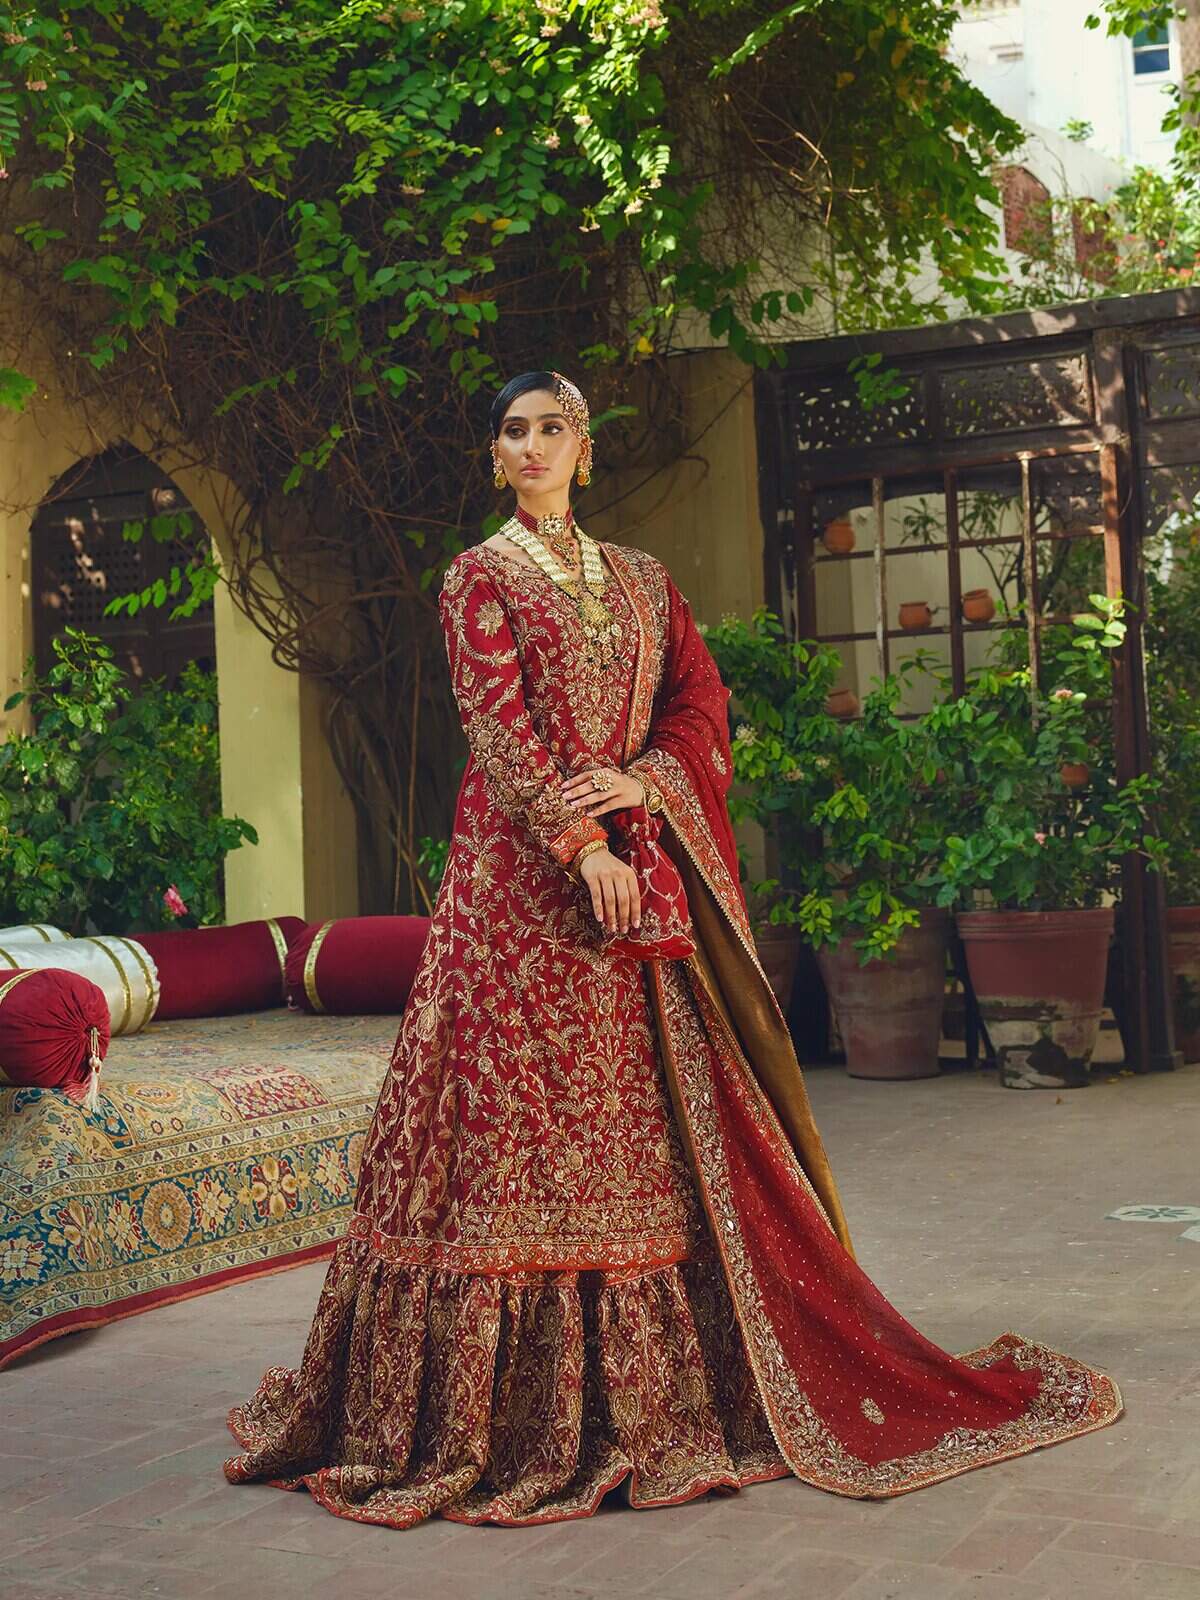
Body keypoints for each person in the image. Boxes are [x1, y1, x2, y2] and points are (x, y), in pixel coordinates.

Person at [224, 370, 1121, 1528]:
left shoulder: (645, 582)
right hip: (516, 906)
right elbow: (498, 726)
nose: (534, 446)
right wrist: (577, 837)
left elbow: (701, 708)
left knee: (634, 1131)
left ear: (584, 449)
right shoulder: (476, 579)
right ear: (494, 457)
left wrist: (643, 780)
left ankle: (652, 1399)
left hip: (631, 906)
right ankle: (493, 1418)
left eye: (553, 429)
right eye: (513, 431)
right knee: (510, 1136)